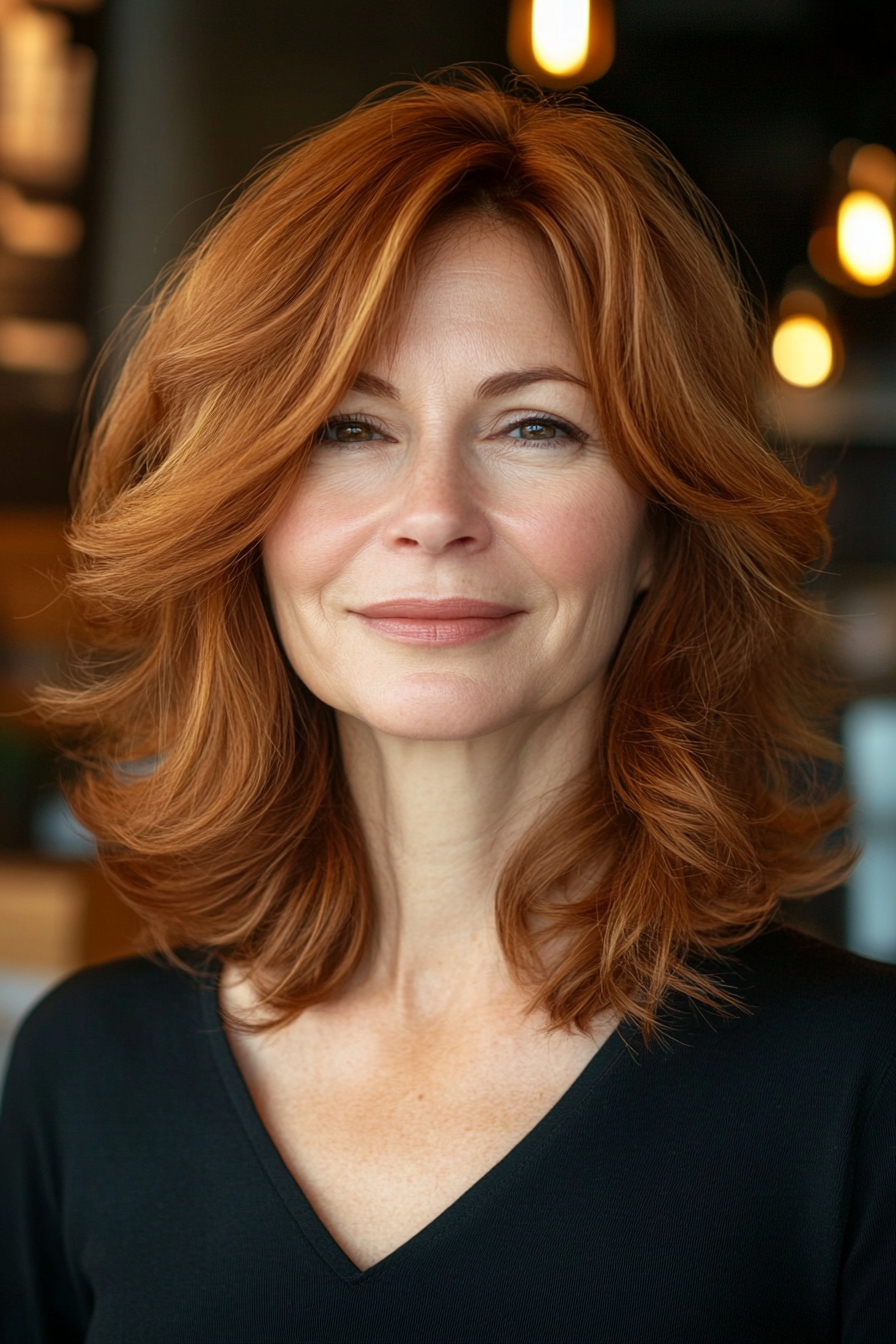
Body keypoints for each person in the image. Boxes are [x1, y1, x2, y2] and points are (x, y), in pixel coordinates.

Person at [1, 75, 893, 1343]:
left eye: (534, 426)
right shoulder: (83, 1076)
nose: (432, 512)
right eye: (347, 428)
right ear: (244, 512)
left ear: (656, 525)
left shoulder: (857, 1087)